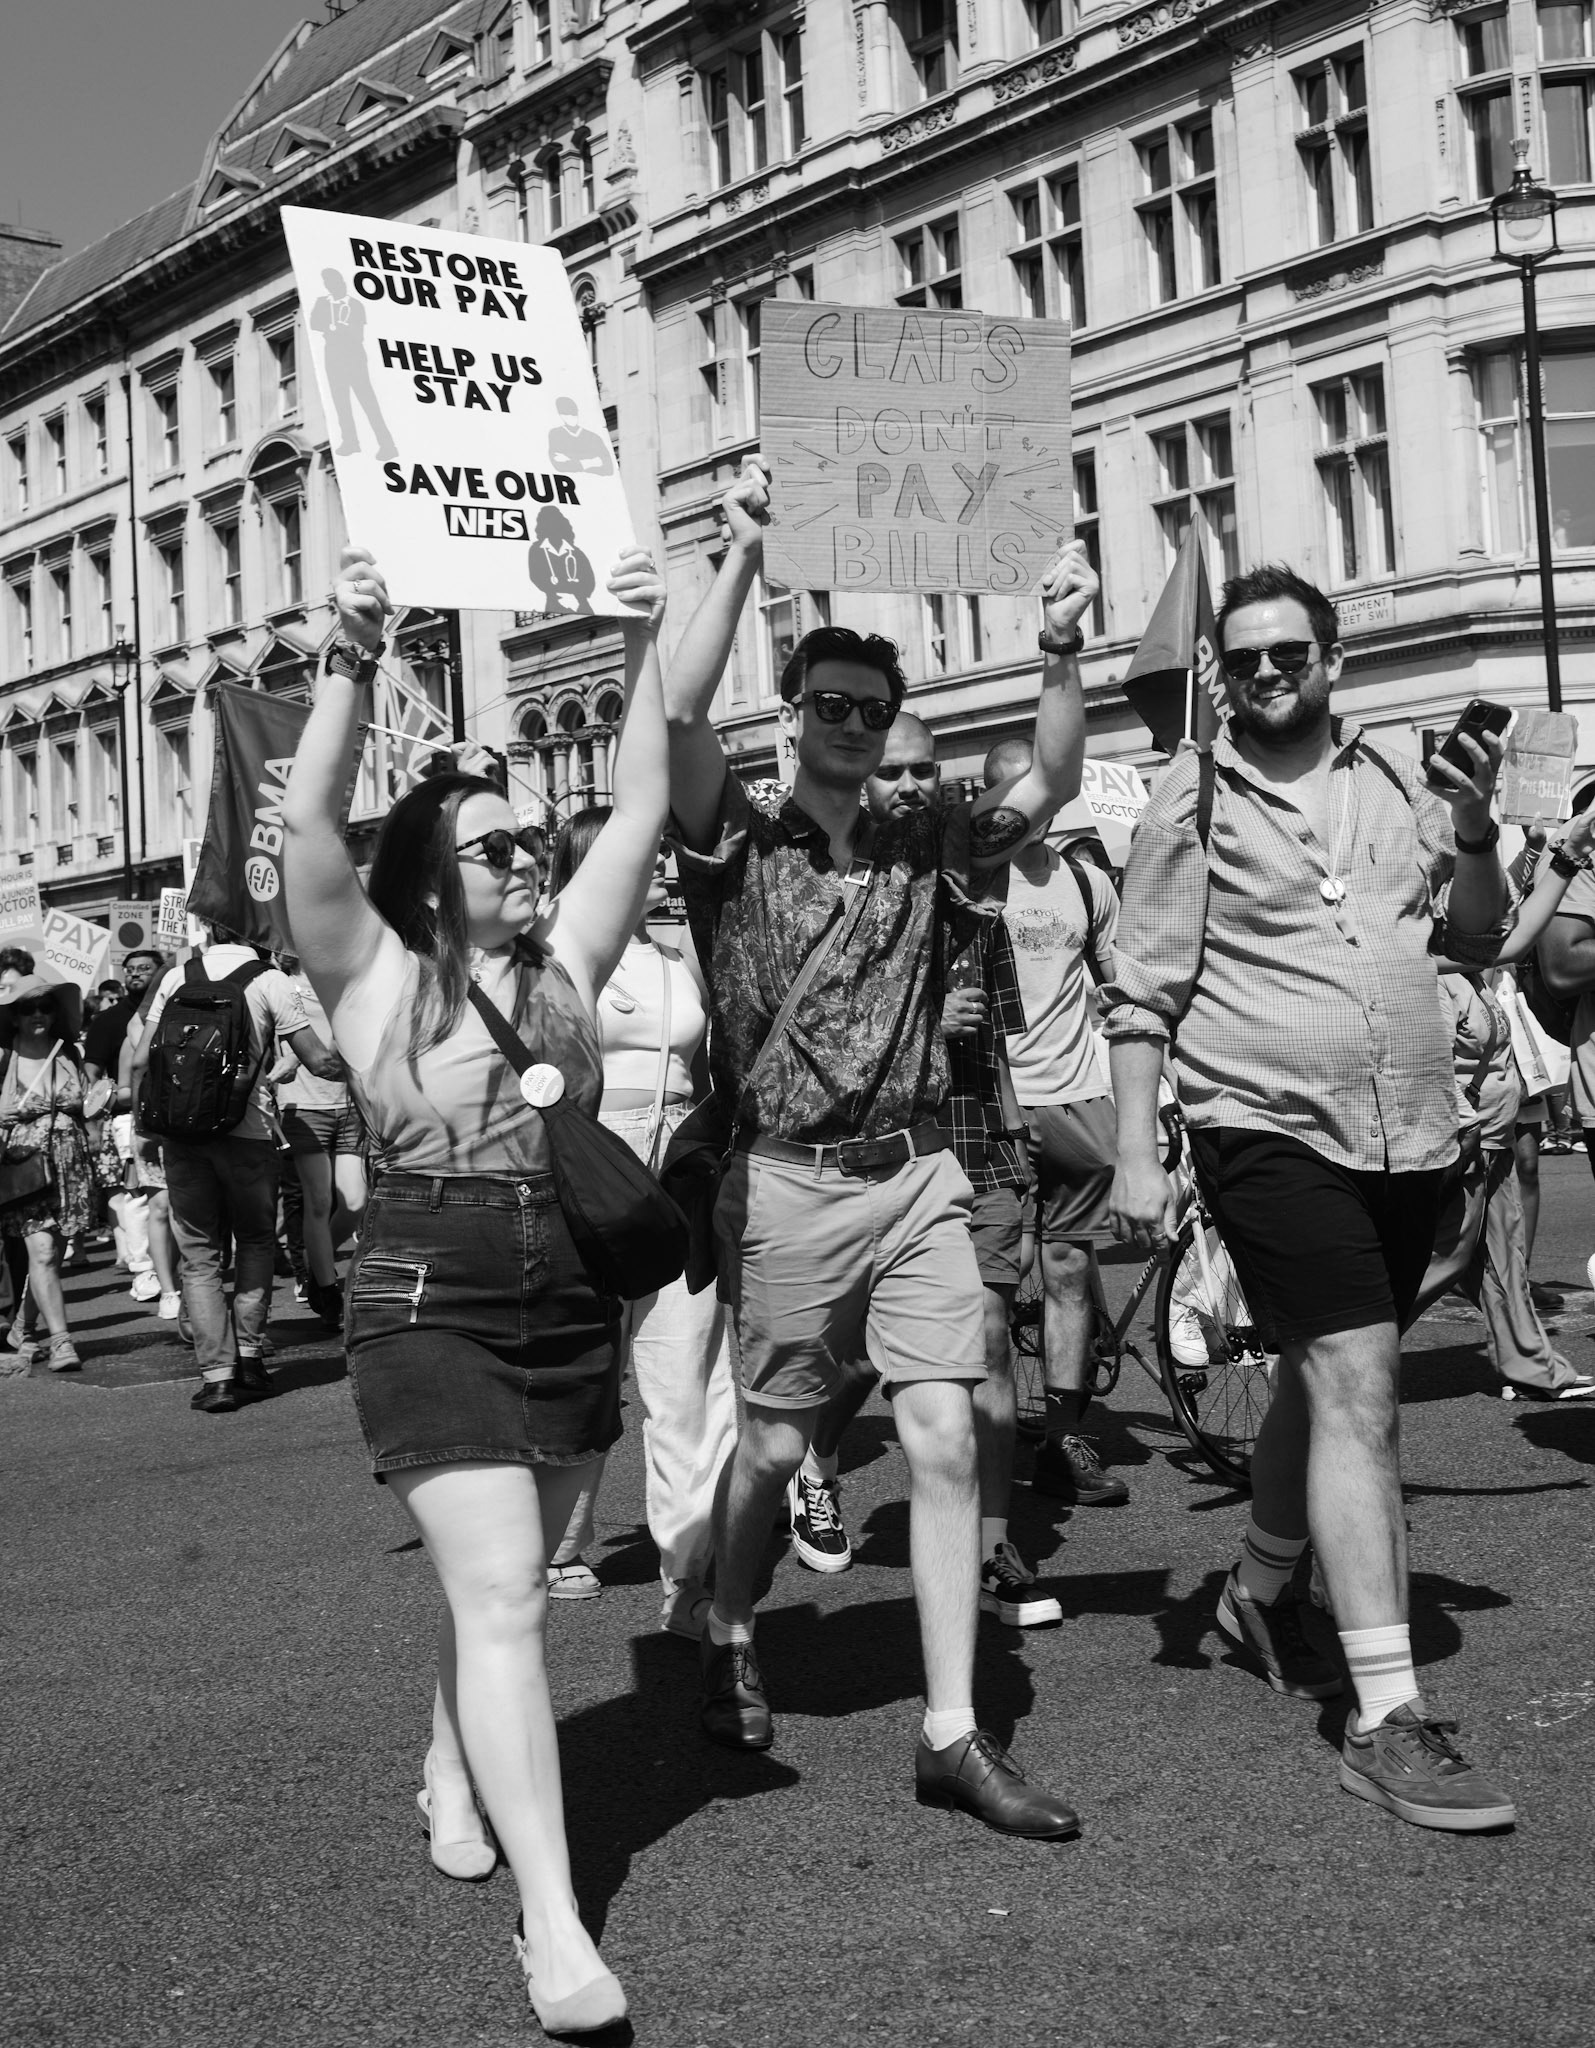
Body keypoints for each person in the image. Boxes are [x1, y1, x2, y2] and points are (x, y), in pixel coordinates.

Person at [665, 455, 1094, 1838]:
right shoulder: (731, 840)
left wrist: (1057, 652)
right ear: (790, 717)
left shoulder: (930, 840)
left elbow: (1055, 773)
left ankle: (951, 1731)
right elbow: (674, 706)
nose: (851, 726)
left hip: (916, 1174)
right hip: (788, 1181)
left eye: (872, 709)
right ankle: (730, 1618)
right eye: (829, 706)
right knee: (781, 1452)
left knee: (944, 1432)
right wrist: (738, 552)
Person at [282, 538, 666, 2035]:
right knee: (505, 1589)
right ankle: (555, 1926)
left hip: (570, 1288)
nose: (528, 860)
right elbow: (309, 813)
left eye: (529, 842)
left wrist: (639, 641)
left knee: (506, 1580)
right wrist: (353, 654)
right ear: (436, 865)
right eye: (498, 844)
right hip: (428, 1288)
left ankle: (452, 1754)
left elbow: (639, 800)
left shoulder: (565, 958)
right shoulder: (370, 969)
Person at [1104, 562, 1518, 1833]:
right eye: (1246, 658)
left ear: (1330, 658)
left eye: (1290, 651)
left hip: (1405, 1130)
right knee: (1356, 1379)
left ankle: (1259, 1582)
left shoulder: (1397, 779)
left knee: (1324, 1370)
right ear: (1222, 672)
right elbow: (1144, 983)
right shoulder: (1194, 790)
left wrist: (1476, 833)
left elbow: (1476, 937)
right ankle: (1385, 1715)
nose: (1268, 671)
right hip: (1261, 1119)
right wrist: (1133, 1145)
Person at [791, 713, 1062, 1627]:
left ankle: (988, 1543)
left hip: (978, 1137)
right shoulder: (831, 892)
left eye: (923, 770)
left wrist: (1020, 1136)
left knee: (983, 1340)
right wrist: (920, 1032)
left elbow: (1004, 1037)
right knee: (865, 1354)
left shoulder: (971, 888)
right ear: (859, 783)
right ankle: (815, 1460)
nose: (910, 786)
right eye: (891, 771)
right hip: (875, 1152)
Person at [543, 810, 738, 1633]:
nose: (657, 867)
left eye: (660, 854)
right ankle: (560, 1544)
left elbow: (708, 1060)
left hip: (674, 1181)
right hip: (590, 1172)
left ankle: (686, 1571)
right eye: (641, 856)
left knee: (682, 1374)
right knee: (590, 1368)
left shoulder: (673, 957)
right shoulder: (553, 951)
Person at [983, 736, 1127, 1510]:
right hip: (993, 1107)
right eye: (1010, 800)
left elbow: (1118, 984)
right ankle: (995, 1436)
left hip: (1076, 1097)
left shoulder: (1084, 879)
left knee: (1070, 1273)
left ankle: (1065, 1436)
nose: (1025, 815)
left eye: (1036, 798)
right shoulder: (967, 885)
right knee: (995, 1288)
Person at [131, 926, 339, 1413]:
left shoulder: (177, 976)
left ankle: (217, 1376)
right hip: (248, 1130)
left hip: (182, 1135)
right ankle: (250, 1357)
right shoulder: (270, 980)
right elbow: (319, 1060)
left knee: (200, 1255)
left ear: (209, 928)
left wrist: (147, 1127)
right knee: (255, 1241)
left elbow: (142, 1059)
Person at [1409, 965, 1595, 1399]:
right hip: (1466, 1142)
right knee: (1445, 1259)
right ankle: (1340, 1349)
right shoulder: (1437, 977)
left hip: (1494, 1137)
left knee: (1505, 1260)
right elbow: (1431, 1058)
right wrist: (1465, 1127)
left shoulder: (1471, 976)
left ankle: (1533, 1370)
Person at [0, 976, 94, 1371]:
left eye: (44, 1006)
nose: (38, 1014)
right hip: (25, 1167)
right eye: (27, 1008)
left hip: (69, 1166)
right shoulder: (5, 1054)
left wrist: (103, 1099)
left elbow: (85, 1102)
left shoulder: (68, 1052)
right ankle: (62, 1342)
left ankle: (22, 1328)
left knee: (51, 1257)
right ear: (15, 1017)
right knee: (41, 1252)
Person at [275, 967, 366, 1331]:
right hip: (302, 1107)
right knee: (318, 1202)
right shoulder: (279, 984)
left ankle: (317, 1266)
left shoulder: (343, 976)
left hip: (350, 1103)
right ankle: (327, 1291)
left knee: (356, 1203)